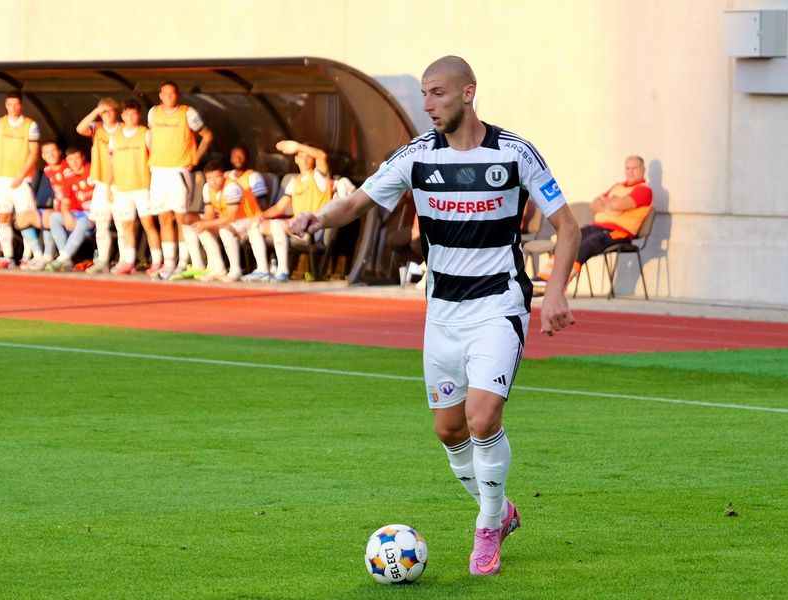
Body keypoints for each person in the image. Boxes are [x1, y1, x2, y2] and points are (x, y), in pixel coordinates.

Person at [290, 56, 580, 576]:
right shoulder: (416, 156)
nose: (427, 105)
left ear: (469, 93)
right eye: (424, 94)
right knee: (449, 432)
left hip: (499, 305)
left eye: (437, 94)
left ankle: (488, 524)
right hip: (442, 313)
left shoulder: (515, 153)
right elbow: (355, 202)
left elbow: (568, 226)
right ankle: (502, 507)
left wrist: (555, 291)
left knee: (483, 417)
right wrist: (318, 217)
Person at [534, 155, 653, 285]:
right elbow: (594, 204)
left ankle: (557, 283)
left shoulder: (644, 190)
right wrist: (610, 207)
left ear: (643, 169)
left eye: (634, 168)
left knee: (587, 244)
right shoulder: (618, 186)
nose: (630, 172)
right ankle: (543, 278)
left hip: (619, 232)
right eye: (627, 168)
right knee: (569, 239)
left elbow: (616, 205)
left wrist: (608, 202)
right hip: (597, 227)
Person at [147, 80, 213, 278]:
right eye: (165, 94)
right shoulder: (153, 113)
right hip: (158, 171)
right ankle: (169, 262)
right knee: (163, 218)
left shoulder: (187, 113)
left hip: (178, 171)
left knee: (181, 217)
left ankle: (184, 261)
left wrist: (194, 160)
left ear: (177, 95)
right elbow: (151, 136)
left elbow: (207, 135)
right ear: (160, 95)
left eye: (172, 93)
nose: (168, 97)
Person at [243, 140, 333, 282]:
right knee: (254, 225)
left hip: (312, 228)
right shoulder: (294, 181)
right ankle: (262, 269)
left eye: (307, 156)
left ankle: (282, 270)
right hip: (296, 226)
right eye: (300, 156)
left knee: (277, 225)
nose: (304, 159)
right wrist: (260, 216)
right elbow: (279, 207)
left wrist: (297, 146)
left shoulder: (318, 177)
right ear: (295, 159)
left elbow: (322, 156)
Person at [0, 92, 42, 269]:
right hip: (1, 178)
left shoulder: (30, 125)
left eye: (16, 104)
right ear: (6, 105)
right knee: (3, 215)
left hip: (21, 179)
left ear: (21, 105)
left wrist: (21, 175)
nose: (13, 108)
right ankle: (7, 256)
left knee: (25, 217)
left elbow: (34, 153)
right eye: (10, 104)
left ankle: (28, 255)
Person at [185, 160, 251, 282]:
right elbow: (209, 215)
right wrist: (204, 225)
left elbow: (231, 217)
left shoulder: (231, 187)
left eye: (216, 177)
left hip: (248, 221)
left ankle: (235, 270)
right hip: (229, 221)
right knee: (196, 226)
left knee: (224, 230)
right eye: (209, 178)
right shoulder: (207, 188)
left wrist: (206, 224)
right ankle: (215, 267)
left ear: (223, 175)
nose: (213, 181)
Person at [76, 98, 121, 273]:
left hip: (121, 183)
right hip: (101, 182)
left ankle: (125, 260)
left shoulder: (123, 129)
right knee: (101, 223)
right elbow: (80, 128)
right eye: (104, 112)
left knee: (121, 223)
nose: (107, 115)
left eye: (110, 111)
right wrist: (96, 110)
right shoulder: (97, 128)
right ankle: (102, 260)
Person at [107, 100, 150, 275]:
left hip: (142, 186)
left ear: (138, 116)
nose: (130, 117)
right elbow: (111, 162)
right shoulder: (115, 136)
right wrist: (109, 185)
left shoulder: (145, 133)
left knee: (148, 225)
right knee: (126, 226)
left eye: (134, 114)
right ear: (122, 116)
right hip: (122, 188)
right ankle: (129, 261)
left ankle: (158, 261)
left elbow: (153, 158)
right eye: (127, 114)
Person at [44, 148, 94, 271]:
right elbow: (65, 201)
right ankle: (66, 259)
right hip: (79, 214)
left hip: (95, 215)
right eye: (71, 159)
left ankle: (62, 259)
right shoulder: (68, 175)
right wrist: (66, 214)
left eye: (77, 158)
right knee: (54, 217)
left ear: (83, 158)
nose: (74, 163)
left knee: (83, 222)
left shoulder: (92, 170)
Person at [24, 141, 69, 270]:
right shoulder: (46, 171)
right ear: (43, 156)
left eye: (53, 151)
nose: (51, 155)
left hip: (68, 211)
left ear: (60, 152)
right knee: (22, 217)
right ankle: (38, 256)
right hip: (52, 210)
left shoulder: (67, 168)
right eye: (47, 152)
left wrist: (55, 209)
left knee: (49, 215)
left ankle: (49, 255)